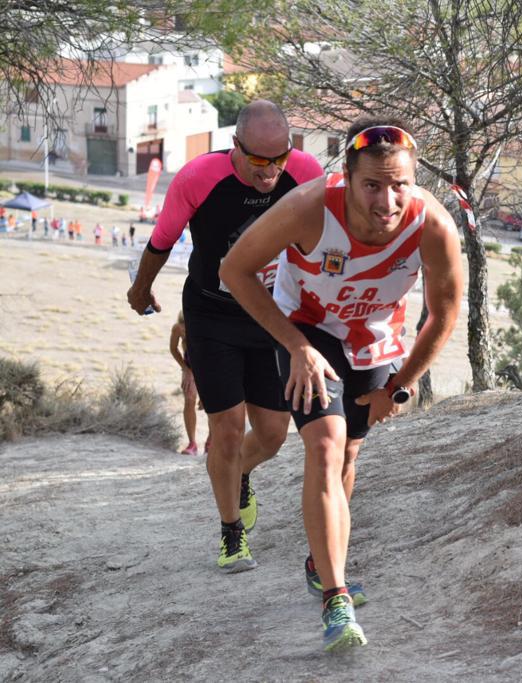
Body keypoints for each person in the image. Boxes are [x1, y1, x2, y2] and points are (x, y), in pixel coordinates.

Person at [221, 117, 464, 651]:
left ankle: (318, 558)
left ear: (413, 179)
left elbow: (443, 314)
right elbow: (233, 270)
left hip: (374, 338)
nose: (386, 200)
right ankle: (336, 599)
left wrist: (398, 387)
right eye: (372, 185)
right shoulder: (309, 207)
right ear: (347, 179)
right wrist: (296, 347)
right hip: (305, 329)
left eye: (399, 184)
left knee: (350, 453)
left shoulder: (433, 224)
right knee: (326, 447)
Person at [126, 99, 324, 574]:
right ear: (236, 146)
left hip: (271, 317)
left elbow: (326, 236)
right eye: (259, 160)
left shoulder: (306, 171)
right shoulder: (199, 177)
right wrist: (140, 289)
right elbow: (162, 239)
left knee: (275, 434)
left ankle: (240, 475)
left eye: (279, 158)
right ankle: (231, 535)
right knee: (227, 429)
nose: (271, 171)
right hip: (211, 316)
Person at [170, 311, 205, 455]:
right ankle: (192, 444)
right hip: (190, 367)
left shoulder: (207, 323)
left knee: (210, 404)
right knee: (189, 399)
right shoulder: (178, 327)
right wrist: (185, 370)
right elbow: (173, 349)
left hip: (210, 367)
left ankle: (211, 441)